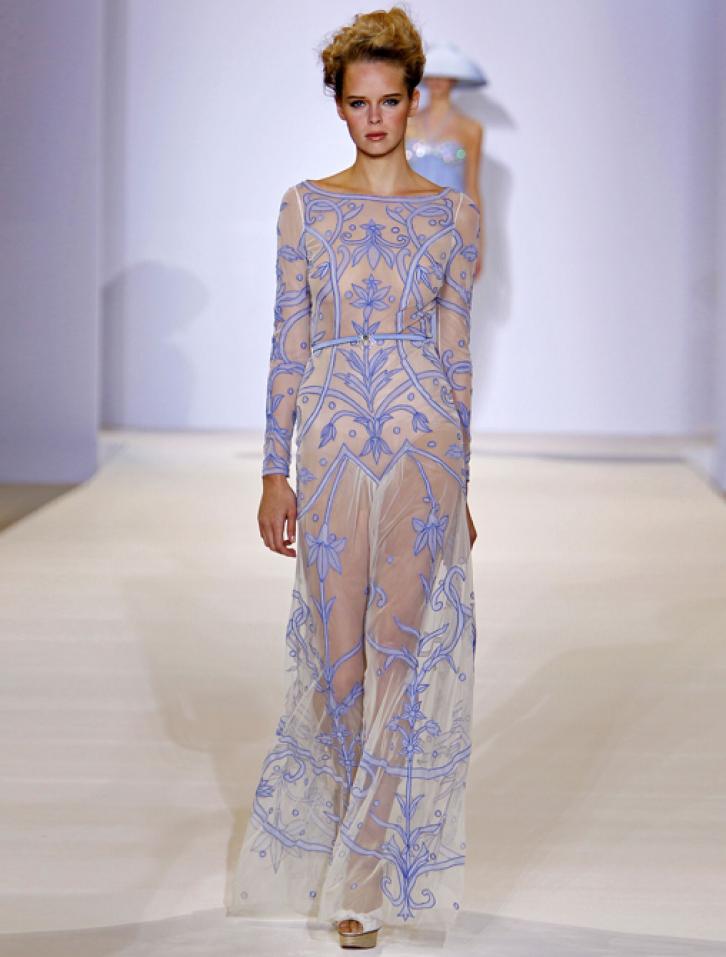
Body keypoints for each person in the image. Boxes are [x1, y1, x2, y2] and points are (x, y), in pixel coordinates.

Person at [227, 6, 481, 949]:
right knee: (340, 664)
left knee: (400, 659)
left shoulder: (453, 216)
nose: (375, 118)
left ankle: (362, 882)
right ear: (339, 106)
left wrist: (465, 485)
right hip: (330, 447)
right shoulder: (305, 206)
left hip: (425, 452)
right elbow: (287, 343)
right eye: (358, 102)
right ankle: (343, 844)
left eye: (389, 100)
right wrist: (272, 470)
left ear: (413, 100)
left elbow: (457, 357)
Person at [405, 41, 487, 277]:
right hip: (410, 223)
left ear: (455, 79)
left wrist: (478, 242)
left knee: (447, 293)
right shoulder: (406, 125)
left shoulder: (471, 129)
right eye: (433, 73)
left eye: (444, 73)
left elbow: (472, 188)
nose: (437, 80)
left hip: (452, 225)